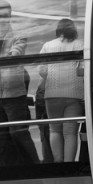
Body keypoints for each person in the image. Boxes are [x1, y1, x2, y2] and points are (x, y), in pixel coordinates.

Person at [0, 0, 39, 166]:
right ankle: (8, 167)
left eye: (6, 16)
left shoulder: (19, 36)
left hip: (15, 96)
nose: (2, 19)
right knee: (0, 135)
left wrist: (9, 55)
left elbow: (16, 52)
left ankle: (34, 165)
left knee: (20, 133)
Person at [38, 18, 85, 163]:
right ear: (73, 29)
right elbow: (82, 70)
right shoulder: (80, 45)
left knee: (55, 130)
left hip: (52, 95)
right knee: (70, 132)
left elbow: (41, 70)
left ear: (59, 29)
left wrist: (53, 76)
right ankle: (69, 164)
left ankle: (59, 164)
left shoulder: (48, 45)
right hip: (73, 95)